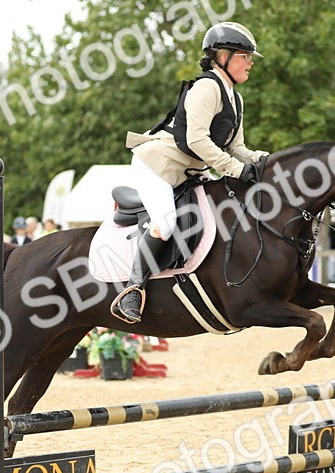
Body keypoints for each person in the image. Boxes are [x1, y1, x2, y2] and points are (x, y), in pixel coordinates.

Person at [115, 21, 269, 323]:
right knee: (166, 222)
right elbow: (198, 140)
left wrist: (267, 161)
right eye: (245, 55)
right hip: (158, 166)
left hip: (188, 171)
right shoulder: (207, 87)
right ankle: (133, 288)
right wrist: (237, 170)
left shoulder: (235, 98)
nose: (250, 62)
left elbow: (237, 146)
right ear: (223, 56)